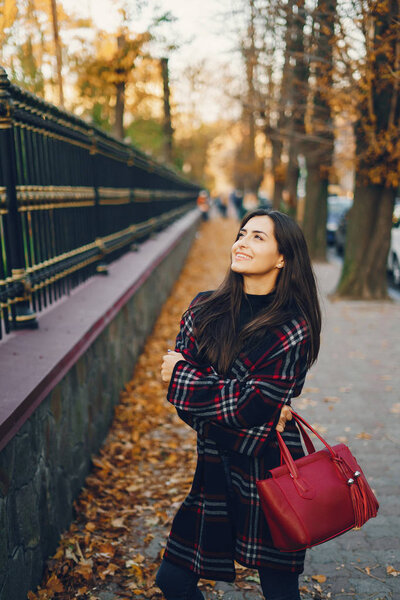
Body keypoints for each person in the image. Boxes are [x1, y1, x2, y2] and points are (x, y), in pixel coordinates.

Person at [157, 209, 321, 600]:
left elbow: (248, 406)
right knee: (173, 581)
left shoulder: (293, 326)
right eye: (242, 233)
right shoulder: (203, 309)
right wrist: (249, 411)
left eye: (258, 237)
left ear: (283, 257)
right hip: (214, 470)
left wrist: (188, 379)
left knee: (279, 589)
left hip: (270, 472)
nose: (242, 243)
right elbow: (201, 405)